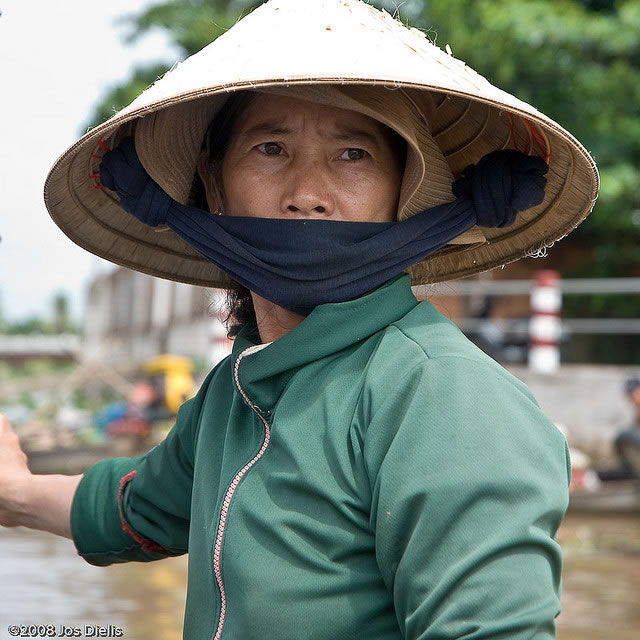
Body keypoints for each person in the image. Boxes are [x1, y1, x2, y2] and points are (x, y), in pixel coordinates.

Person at [0, 0, 599, 638]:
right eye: (270, 147)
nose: (306, 191)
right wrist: (13, 490)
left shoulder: (443, 395)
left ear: (404, 191)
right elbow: (140, 509)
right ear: (214, 181)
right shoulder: (234, 394)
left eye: (352, 155)